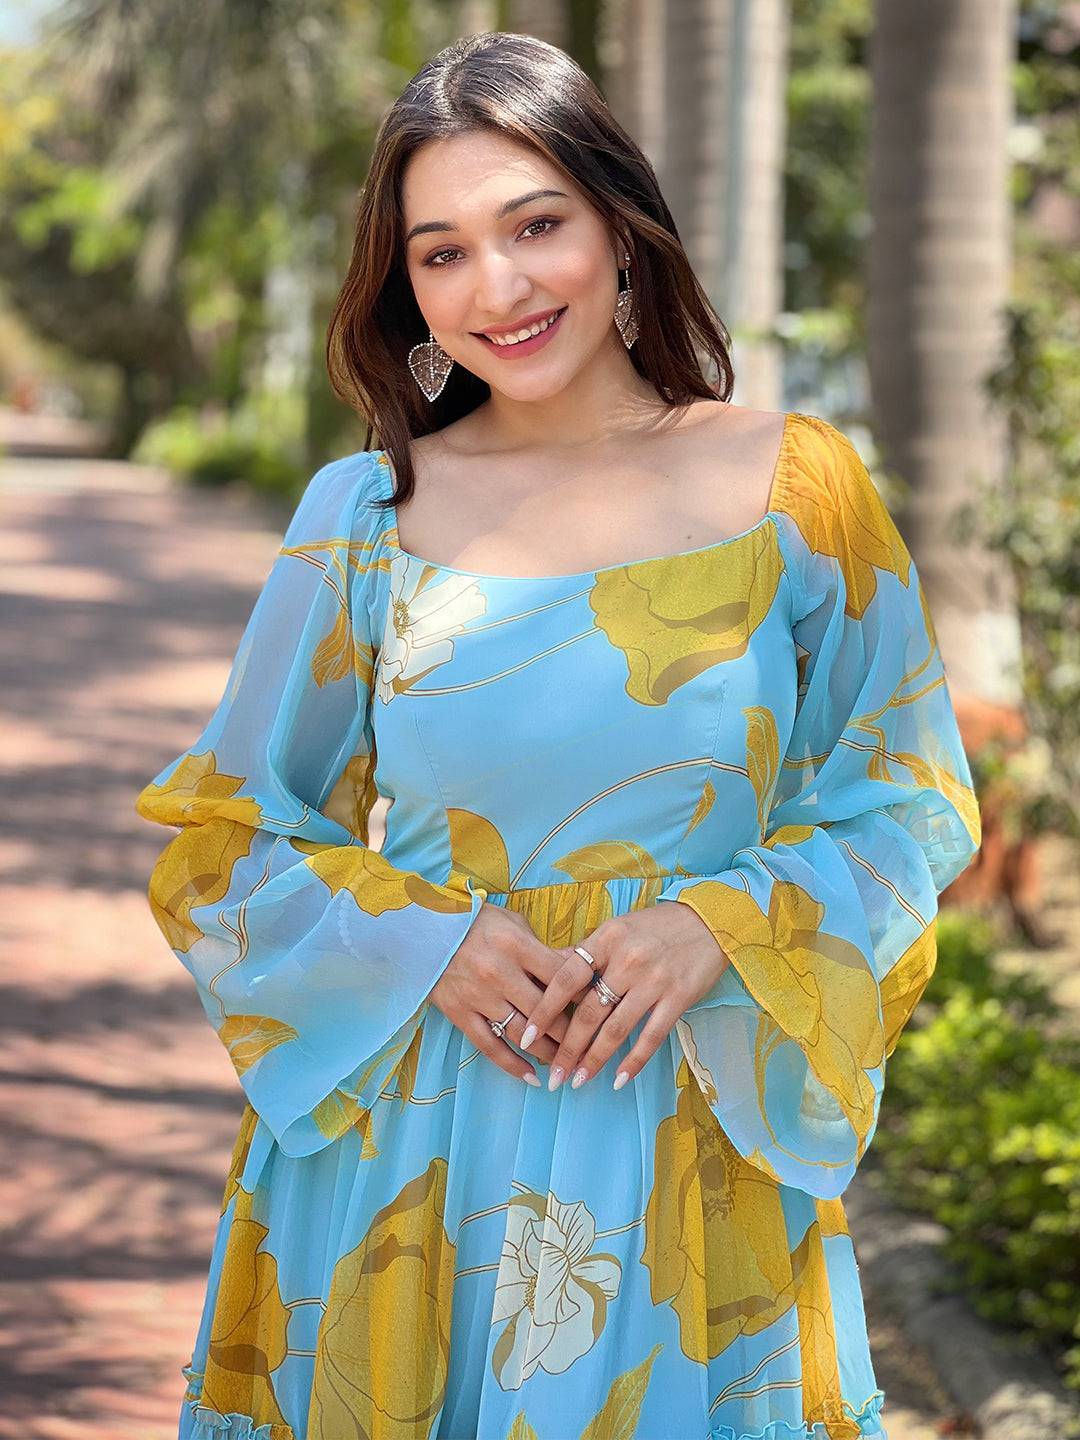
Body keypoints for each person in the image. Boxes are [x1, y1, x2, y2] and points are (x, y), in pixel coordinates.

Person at [134, 30, 981, 1440]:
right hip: (411, 1155)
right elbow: (229, 840)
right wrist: (424, 940)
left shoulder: (796, 486)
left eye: (537, 225)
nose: (501, 287)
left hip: (689, 1136)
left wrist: (720, 920)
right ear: (402, 285)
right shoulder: (364, 518)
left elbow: (911, 792)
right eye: (443, 250)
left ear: (621, 227)